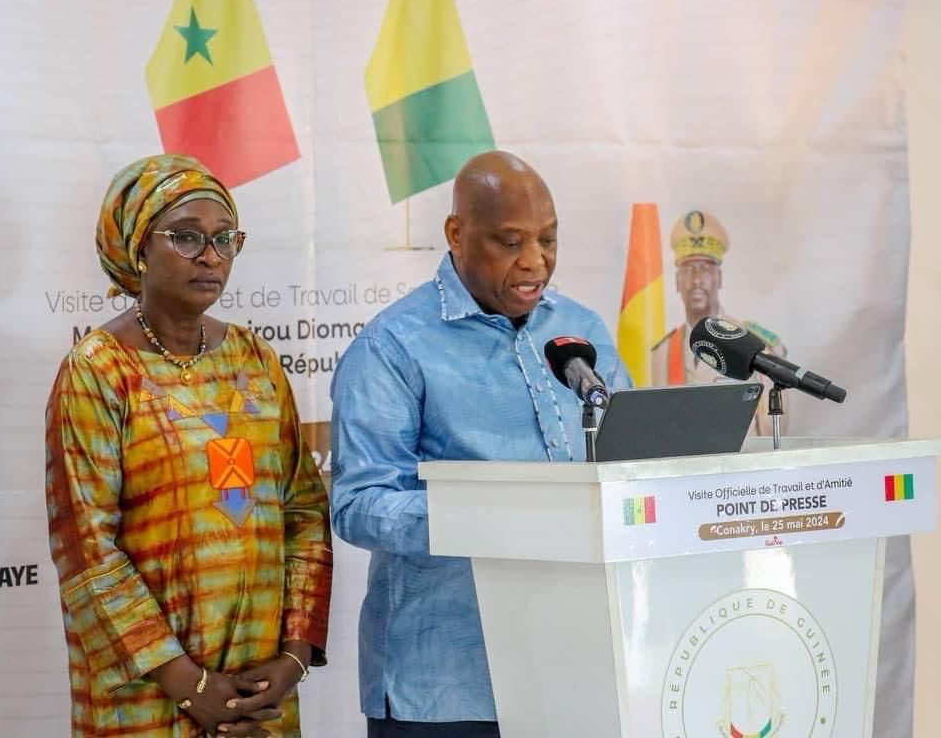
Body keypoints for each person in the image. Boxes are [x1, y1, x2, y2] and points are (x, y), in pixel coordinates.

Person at [329, 151, 630, 737]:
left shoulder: (583, 332)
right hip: (446, 684)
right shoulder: (394, 346)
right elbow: (359, 503)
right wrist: (495, 518)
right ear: (456, 233)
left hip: (574, 666)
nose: (535, 262)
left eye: (548, 240)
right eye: (510, 241)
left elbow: (626, 457)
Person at [45, 154, 332, 738]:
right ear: (138, 248)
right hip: (148, 697)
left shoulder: (255, 358)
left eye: (225, 239)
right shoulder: (98, 372)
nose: (211, 256)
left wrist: (294, 659)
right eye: (186, 237)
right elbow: (86, 552)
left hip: (259, 694)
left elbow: (303, 511)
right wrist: (187, 684)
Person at [648, 210, 787, 434]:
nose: (696, 280)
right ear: (676, 281)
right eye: (688, 270)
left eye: (705, 269)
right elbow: (661, 427)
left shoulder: (756, 344)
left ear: (719, 278)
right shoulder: (662, 353)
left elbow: (773, 431)